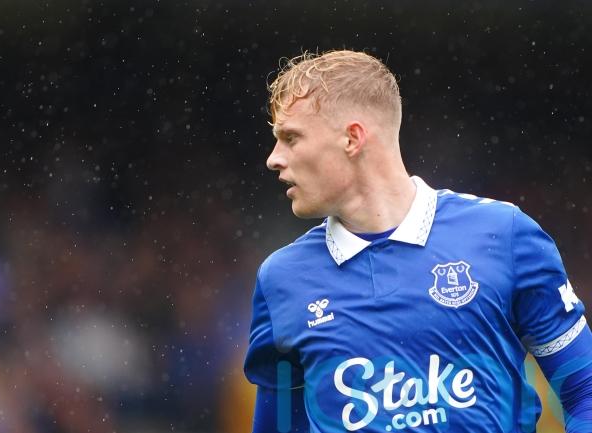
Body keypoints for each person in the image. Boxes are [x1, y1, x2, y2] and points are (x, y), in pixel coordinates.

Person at [243, 50, 592, 433]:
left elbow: (584, 389)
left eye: (290, 138)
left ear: (352, 138)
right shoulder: (282, 279)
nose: (273, 159)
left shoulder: (503, 234)